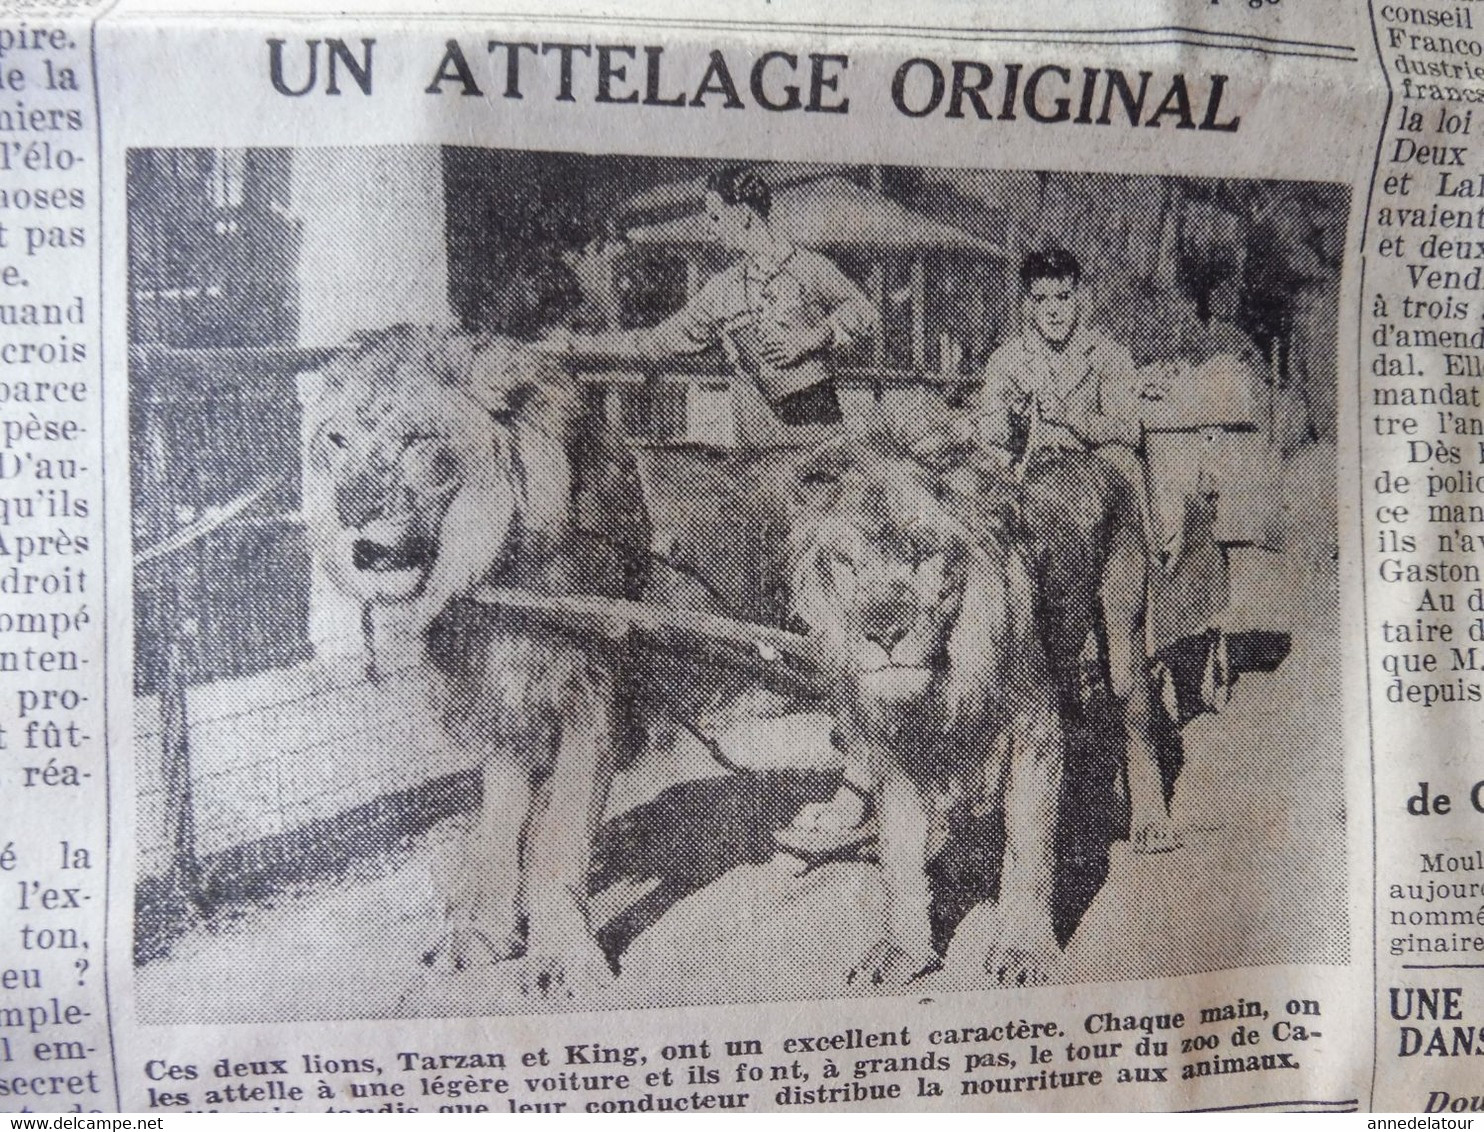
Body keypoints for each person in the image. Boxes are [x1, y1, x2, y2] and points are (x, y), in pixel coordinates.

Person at [543, 164, 877, 450]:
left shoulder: (808, 265)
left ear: (744, 216)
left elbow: (865, 312)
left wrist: (809, 339)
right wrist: (574, 344)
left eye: (716, 217)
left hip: (820, 444)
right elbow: (654, 343)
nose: (709, 228)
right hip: (757, 447)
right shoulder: (722, 289)